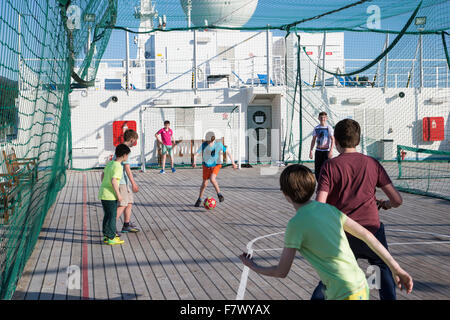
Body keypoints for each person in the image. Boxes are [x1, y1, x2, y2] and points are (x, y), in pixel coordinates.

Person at [239, 164, 413, 300]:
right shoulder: (329, 209)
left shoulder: (295, 225)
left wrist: (253, 266)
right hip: (359, 285)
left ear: (285, 194)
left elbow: (281, 271)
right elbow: (368, 235)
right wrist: (396, 267)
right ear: (313, 188)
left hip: (343, 293)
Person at [313, 118, 404, 300]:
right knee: (378, 267)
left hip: (343, 233)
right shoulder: (372, 164)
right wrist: (385, 204)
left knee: (333, 274)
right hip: (371, 231)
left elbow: (319, 205)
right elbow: (397, 200)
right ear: (359, 140)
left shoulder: (330, 166)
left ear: (336, 142)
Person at [192, 131, 237, 207]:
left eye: (210, 141)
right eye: (208, 141)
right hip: (206, 165)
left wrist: (233, 162)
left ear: (213, 139)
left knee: (212, 179)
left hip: (216, 164)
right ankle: (199, 199)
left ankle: (219, 194)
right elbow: (196, 154)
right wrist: (194, 162)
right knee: (204, 184)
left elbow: (228, 152)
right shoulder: (204, 145)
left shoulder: (218, 144)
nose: (209, 142)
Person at [98, 144, 130, 245]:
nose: (127, 157)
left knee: (107, 216)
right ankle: (112, 237)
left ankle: (106, 236)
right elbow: (114, 181)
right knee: (112, 216)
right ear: (124, 155)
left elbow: (102, 175)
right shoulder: (118, 167)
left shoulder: (110, 163)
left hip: (103, 193)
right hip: (110, 196)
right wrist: (119, 195)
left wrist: (104, 184)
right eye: (127, 155)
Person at [116, 129, 140, 234]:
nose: (134, 143)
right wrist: (133, 183)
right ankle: (110, 226)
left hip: (124, 182)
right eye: (134, 141)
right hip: (121, 182)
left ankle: (126, 224)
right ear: (131, 139)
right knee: (123, 204)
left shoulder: (121, 147)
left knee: (129, 202)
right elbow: (127, 169)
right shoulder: (125, 150)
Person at [309, 111, 334, 181]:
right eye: (321, 117)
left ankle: (327, 182)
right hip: (318, 151)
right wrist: (311, 150)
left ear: (326, 118)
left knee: (326, 168)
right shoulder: (316, 128)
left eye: (324, 117)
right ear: (318, 118)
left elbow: (333, 139)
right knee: (317, 169)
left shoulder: (329, 128)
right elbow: (313, 140)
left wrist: (331, 151)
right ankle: (319, 182)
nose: (322, 119)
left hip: (326, 151)